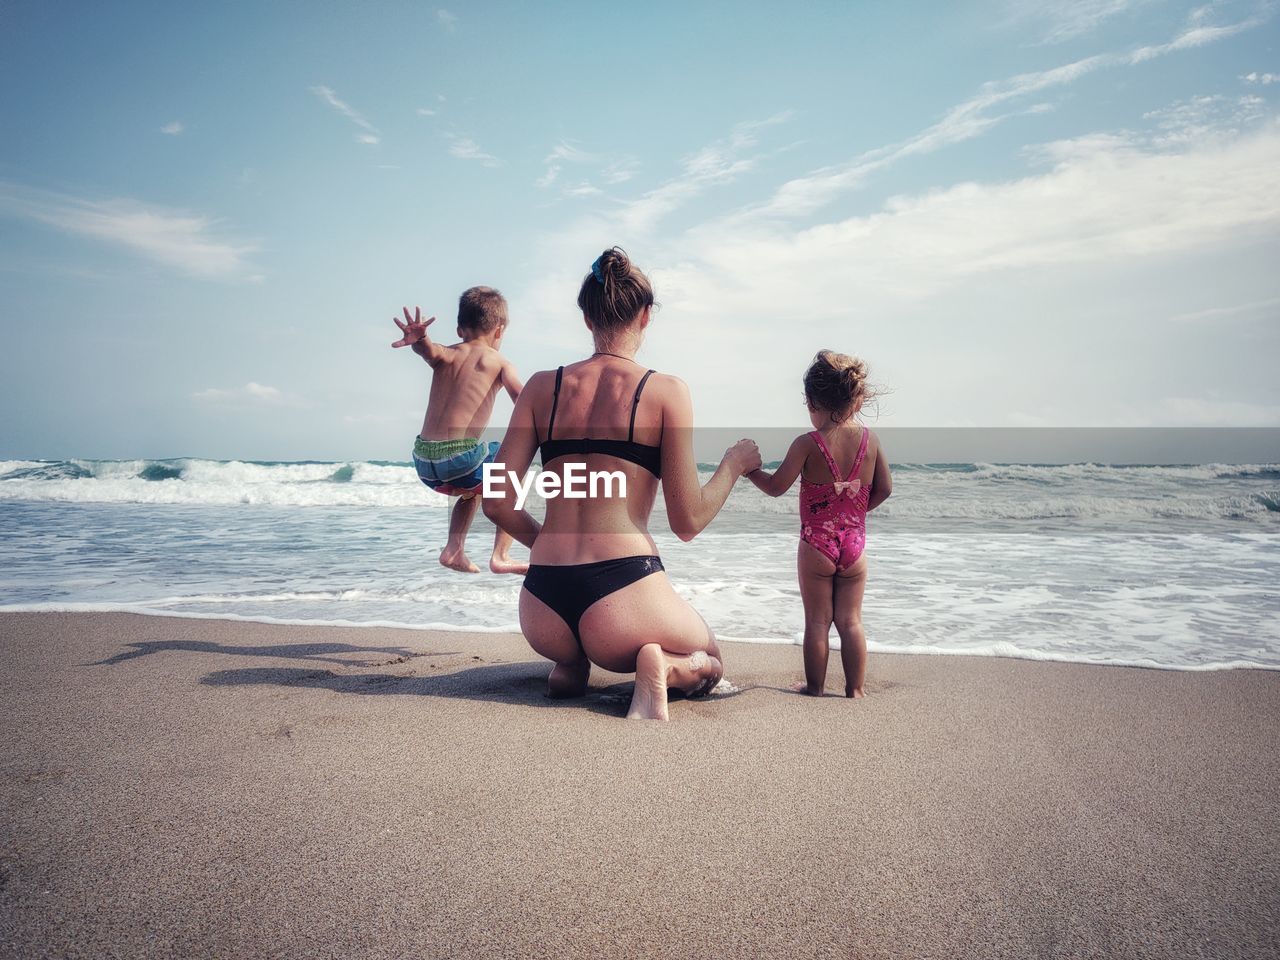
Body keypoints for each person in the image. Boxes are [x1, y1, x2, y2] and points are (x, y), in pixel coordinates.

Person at [482, 248, 761, 720]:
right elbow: (687, 521)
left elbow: (496, 501)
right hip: (623, 600)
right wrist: (733, 465)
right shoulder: (665, 392)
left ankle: (570, 664)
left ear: (587, 318)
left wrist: (548, 542)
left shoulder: (538, 387)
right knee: (711, 659)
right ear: (646, 316)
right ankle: (663, 667)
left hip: (543, 608)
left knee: (572, 649)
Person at [745, 350, 892, 698]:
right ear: (856, 400)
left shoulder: (807, 444)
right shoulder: (871, 442)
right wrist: (854, 515)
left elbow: (777, 487)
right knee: (851, 621)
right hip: (855, 546)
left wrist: (749, 472)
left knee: (817, 622)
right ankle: (855, 689)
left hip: (817, 545)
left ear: (812, 402)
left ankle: (814, 687)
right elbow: (885, 488)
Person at [392, 287, 527, 575]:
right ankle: (501, 555)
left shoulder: (447, 354)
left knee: (472, 491)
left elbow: (427, 349)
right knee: (515, 474)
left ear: (459, 329)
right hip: (460, 460)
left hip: (425, 463)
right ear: (500, 331)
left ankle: (453, 550)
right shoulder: (498, 361)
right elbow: (523, 400)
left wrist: (420, 339)